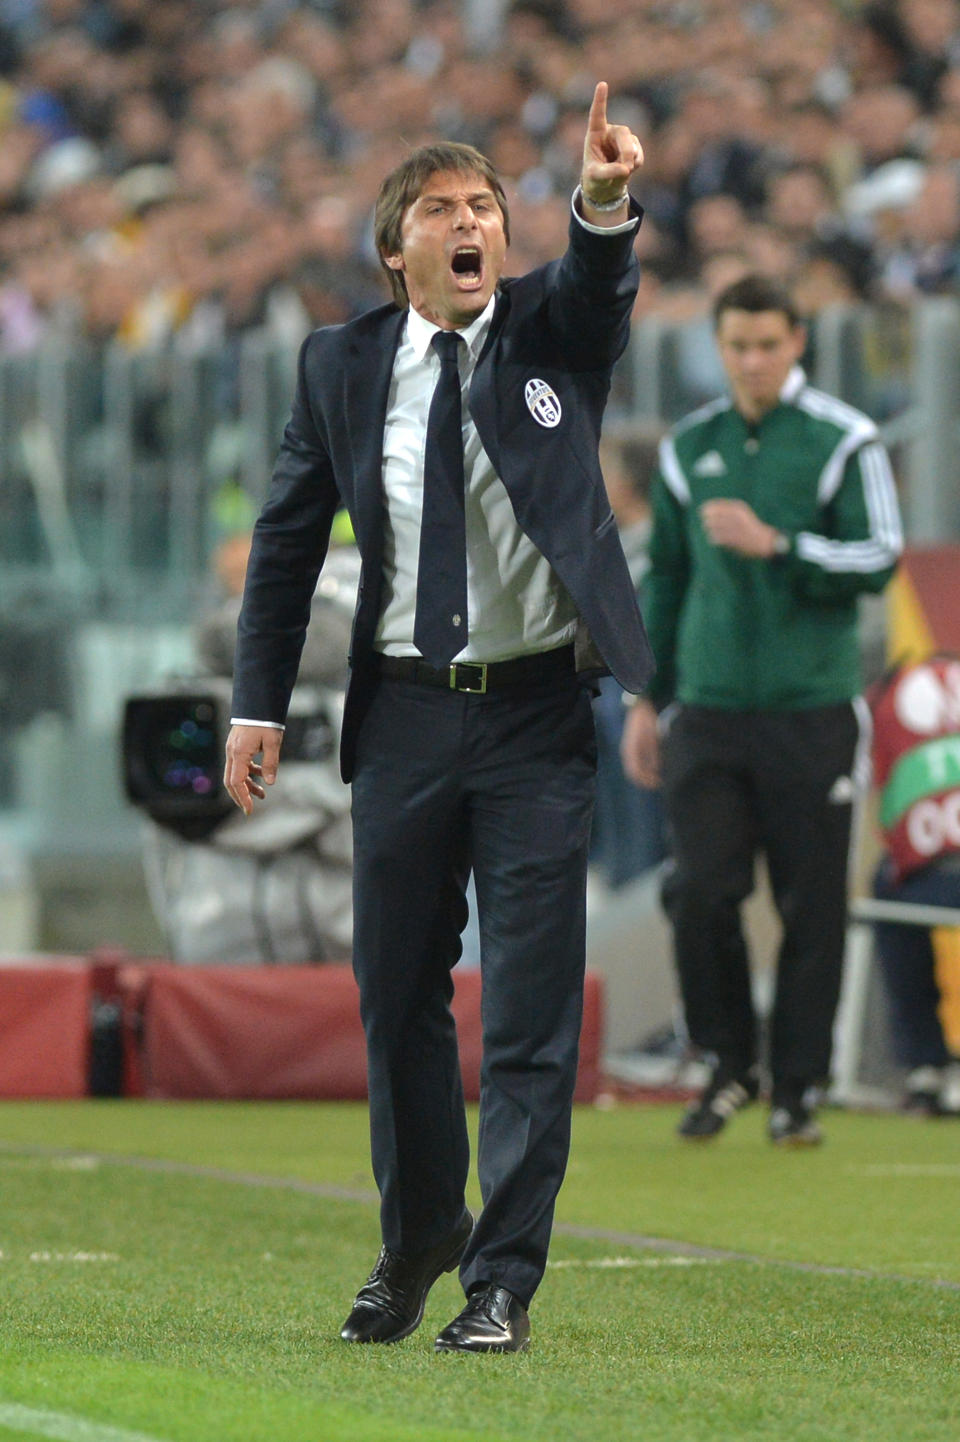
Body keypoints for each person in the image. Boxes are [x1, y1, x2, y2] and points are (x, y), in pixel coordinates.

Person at [223, 83, 650, 1354]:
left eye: (487, 209)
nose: (472, 225)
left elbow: (598, 292)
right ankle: (417, 1237)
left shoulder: (549, 335)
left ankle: (502, 1280)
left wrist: (607, 204)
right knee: (394, 989)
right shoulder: (338, 364)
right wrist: (256, 705)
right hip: (402, 717)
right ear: (395, 245)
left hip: (534, 721)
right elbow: (288, 540)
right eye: (443, 209)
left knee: (527, 1005)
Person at [621, 273, 903, 1148]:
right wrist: (645, 695)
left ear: (799, 343)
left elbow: (880, 556)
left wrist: (781, 545)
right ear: (719, 346)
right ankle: (728, 1060)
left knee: (811, 905)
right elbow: (664, 576)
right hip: (704, 708)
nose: (751, 361)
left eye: (767, 345)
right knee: (699, 891)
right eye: (736, 345)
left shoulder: (842, 441)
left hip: (810, 708)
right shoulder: (689, 446)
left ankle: (799, 1087)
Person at [869, 654, 960, 1117]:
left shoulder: (889, 702)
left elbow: (884, 805)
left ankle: (924, 1065)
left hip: (929, 878)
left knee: (886, 891)